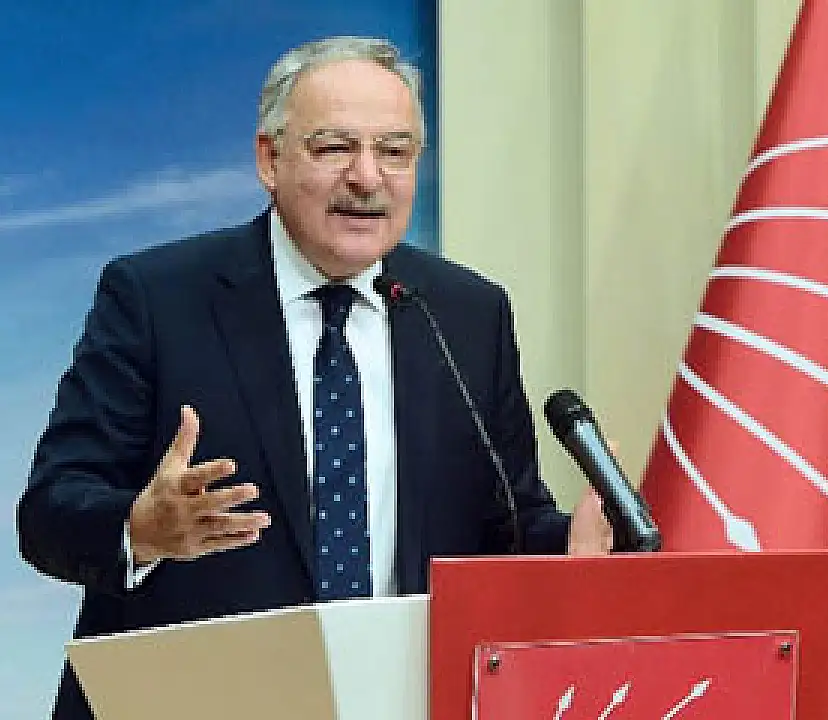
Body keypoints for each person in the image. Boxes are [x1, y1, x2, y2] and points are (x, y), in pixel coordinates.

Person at [15, 36, 612, 720]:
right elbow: (50, 512)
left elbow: (503, 524)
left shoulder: (467, 314)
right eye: (334, 148)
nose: (367, 177)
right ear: (269, 160)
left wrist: (567, 545)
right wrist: (142, 529)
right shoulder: (156, 299)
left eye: (395, 151)